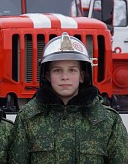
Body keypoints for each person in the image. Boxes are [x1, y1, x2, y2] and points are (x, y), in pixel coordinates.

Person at [10, 32, 128, 163]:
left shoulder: (108, 121)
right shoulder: (28, 119)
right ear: (47, 76)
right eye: (57, 70)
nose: (65, 77)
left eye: (72, 70)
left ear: (82, 76)